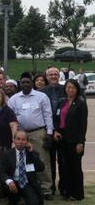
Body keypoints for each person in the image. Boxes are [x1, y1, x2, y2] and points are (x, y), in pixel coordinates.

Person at [7, 74, 54, 200]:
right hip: (20, 133)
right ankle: (25, 187)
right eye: (23, 82)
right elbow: (11, 118)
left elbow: (48, 114)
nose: (25, 84)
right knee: (21, 161)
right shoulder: (14, 99)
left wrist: (49, 133)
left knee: (43, 160)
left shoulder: (41, 96)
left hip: (38, 132)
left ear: (32, 84)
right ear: (20, 84)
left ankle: (46, 189)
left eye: (28, 82)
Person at [53, 79, 88, 201]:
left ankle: (77, 193)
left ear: (77, 89)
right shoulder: (62, 102)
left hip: (74, 140)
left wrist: (80, 142)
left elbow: (83, 125)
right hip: (62, 139)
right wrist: (56, 130)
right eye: (68, 87)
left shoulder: (81, 103)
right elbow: (57, 118)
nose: (70, 90)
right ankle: (65, 191)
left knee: (75, 167)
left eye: (73, 87)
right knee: (64, 166)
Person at [0, 131, 44, 205]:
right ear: (14, 140)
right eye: (18, 139)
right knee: (12, 202)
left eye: (23, 140)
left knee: (33, 204)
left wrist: (32, 153)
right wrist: (9, 181)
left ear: (27, 142)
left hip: (26, 183)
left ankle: (25, 197)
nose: (20, 142)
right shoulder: (7, 154)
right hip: (13, 183)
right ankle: (17, 198)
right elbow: (2, 172)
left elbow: (41, 168)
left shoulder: (32, 153)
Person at [40, 67, 65, 196]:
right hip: (48, 132)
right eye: (51, 75)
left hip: (62, 132)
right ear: (47, 76)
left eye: (56, 74)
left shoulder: (65, 90)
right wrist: (51, 130)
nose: (54, 76)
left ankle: (63, 187)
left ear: (59, 76)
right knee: (49, 161)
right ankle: (50, 188)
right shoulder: (41, 92)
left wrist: (58, 129)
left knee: (62, 161)